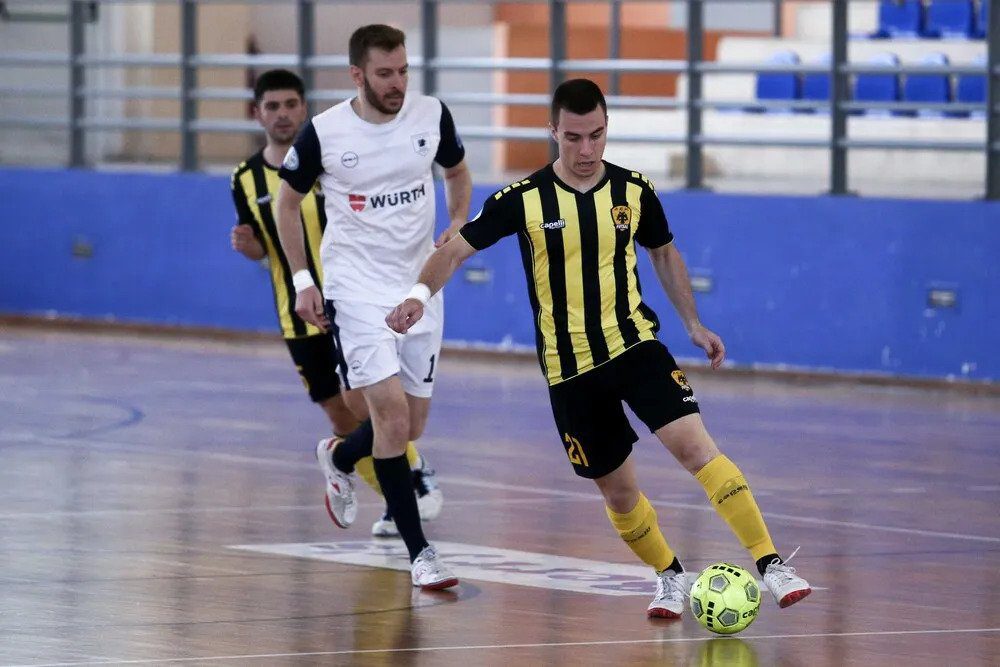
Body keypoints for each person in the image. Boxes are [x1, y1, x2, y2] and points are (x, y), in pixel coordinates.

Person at [387, 78, 811, 615]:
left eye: (596, 135)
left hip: (635, 346)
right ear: (553, 132)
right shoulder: (522, 199)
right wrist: (418, 296)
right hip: (570, 372)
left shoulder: (634, 190)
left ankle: (772, 565)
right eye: (573, 138)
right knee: (619, 493)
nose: (586, 150)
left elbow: (664, 253)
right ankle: (670, 576)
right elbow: (453, 252)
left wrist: (693, 324)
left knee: (698, 451)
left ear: (607, 128)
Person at [275, 26, 472, 590]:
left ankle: (340, 459)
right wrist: (304, 280)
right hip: (356, 290)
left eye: (403, 71)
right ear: (357, 75)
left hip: (420, 288)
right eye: (385, 73)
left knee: (411, 424)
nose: (397, 83)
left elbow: (458, 171)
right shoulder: (324, 132)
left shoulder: (431, 115)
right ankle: (420, 554)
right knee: (389, 415)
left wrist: (458, 220)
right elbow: (287, 206)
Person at [230, 68, 443, 539]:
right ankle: (393, 496)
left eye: (291, 104)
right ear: (257, 113)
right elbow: (266, 244)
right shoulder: (244, 178)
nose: (283, 114)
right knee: (343, 414)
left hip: (354, 301)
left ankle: (411, 477)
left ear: (304, 108)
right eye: (272, 106)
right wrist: (250, 248)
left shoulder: (331, 161)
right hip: (298, 315)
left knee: (382, 408)